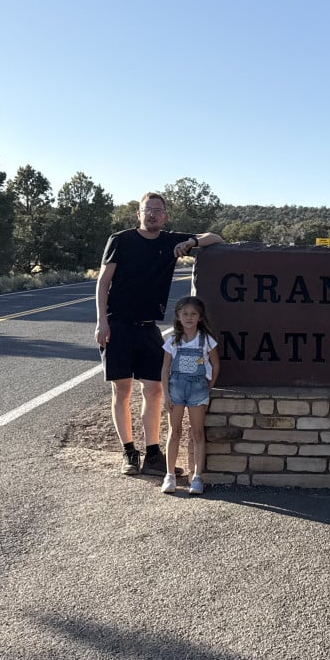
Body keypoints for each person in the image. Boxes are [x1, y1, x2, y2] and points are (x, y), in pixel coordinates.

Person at [95, 191, 221, 476]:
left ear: (165, 216)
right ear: (138, 214)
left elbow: (216, 238)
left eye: (157, 210)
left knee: (153, 390)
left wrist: (192, 242)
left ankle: (153, 453)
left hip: (148, 327)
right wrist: (102, 322)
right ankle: (129, 452)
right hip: (118, 324)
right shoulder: (121, 240)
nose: (151, 214)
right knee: (122, 390)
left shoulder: (171, 241)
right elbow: (103, 283)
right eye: (146, 209)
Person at [160, 295, 220, 495]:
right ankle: (170, 475)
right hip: (176, 388)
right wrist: (166, 393)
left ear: (200, 317)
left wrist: (207, 386)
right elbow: (165, 367)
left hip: (198, 389)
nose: (189, 317)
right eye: (184, 313)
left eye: (193, 314)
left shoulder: (206, 340)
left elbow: (215, 364)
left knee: (197, 432)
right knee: (174, 431)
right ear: (178, 316)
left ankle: (197, 477)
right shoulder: (173, 341)